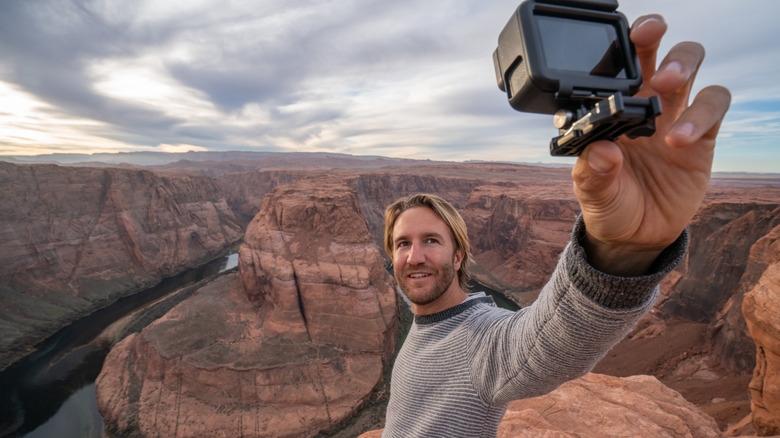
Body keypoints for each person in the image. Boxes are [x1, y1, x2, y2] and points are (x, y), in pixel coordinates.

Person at [379, 13, 731, 438]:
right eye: (402, 244)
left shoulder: (479, 340)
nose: (414, 256)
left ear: (458, 256)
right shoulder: (424, 329)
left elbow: (545, 341)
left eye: (430, 240)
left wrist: (622, 252)